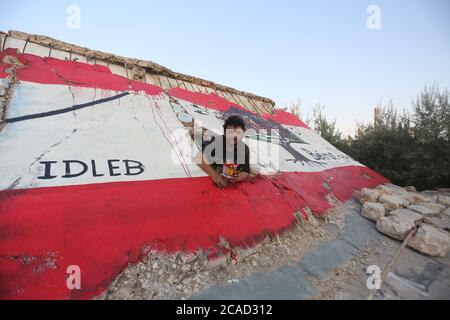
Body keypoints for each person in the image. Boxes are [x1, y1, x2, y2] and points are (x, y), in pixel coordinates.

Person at [195, 115, 250, 188]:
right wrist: (215, 176)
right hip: (210, 177)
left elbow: (246, 172)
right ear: (224, 131)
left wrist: (236, 178)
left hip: (228, 183)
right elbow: (198, 158)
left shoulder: (244, 149)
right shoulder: (216, 141)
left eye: (238, 132)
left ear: (243, 134)